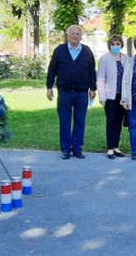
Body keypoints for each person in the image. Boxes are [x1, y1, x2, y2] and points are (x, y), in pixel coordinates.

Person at [46, 25, 96, 159]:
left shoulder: (86, 51)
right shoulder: (59, 50)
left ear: (81, 36)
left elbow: (92, 71)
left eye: (77, 34)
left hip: (81, 93)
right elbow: (52, 69)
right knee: (65, 121)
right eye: (72, 34)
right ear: (68, 35)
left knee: (80, 121)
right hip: (65, 93)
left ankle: (78, 148)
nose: (75, 36)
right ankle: (65, 149)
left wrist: (93, 89)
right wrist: (49, 87)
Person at [97, 35, 129, 159]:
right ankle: (110, 148)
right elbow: (100, 79)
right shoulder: (104, 59)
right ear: (109, 45)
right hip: (110, 97)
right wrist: (102, 97)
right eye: (113, 44)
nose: (115, 46)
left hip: (122, 96)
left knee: (118, 122)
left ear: (121, 45)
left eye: (118, 43)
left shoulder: (126, 58)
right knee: (111, 122)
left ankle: (116, 147)